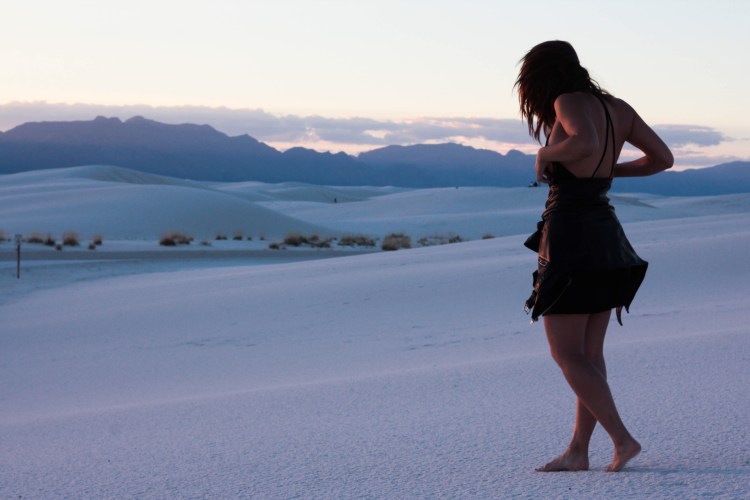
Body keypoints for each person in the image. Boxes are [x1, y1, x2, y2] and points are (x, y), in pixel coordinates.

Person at [515, 41, 673, 472]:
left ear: (540, 77)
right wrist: (611, 169)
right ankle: (578, 451)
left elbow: (584, 142)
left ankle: (622, 439)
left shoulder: (566, 101)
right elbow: (663, 159)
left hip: (570, 233)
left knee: (566, 354)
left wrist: (545, 153)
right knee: (588, 353)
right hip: (605, 233)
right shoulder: (618, 108)